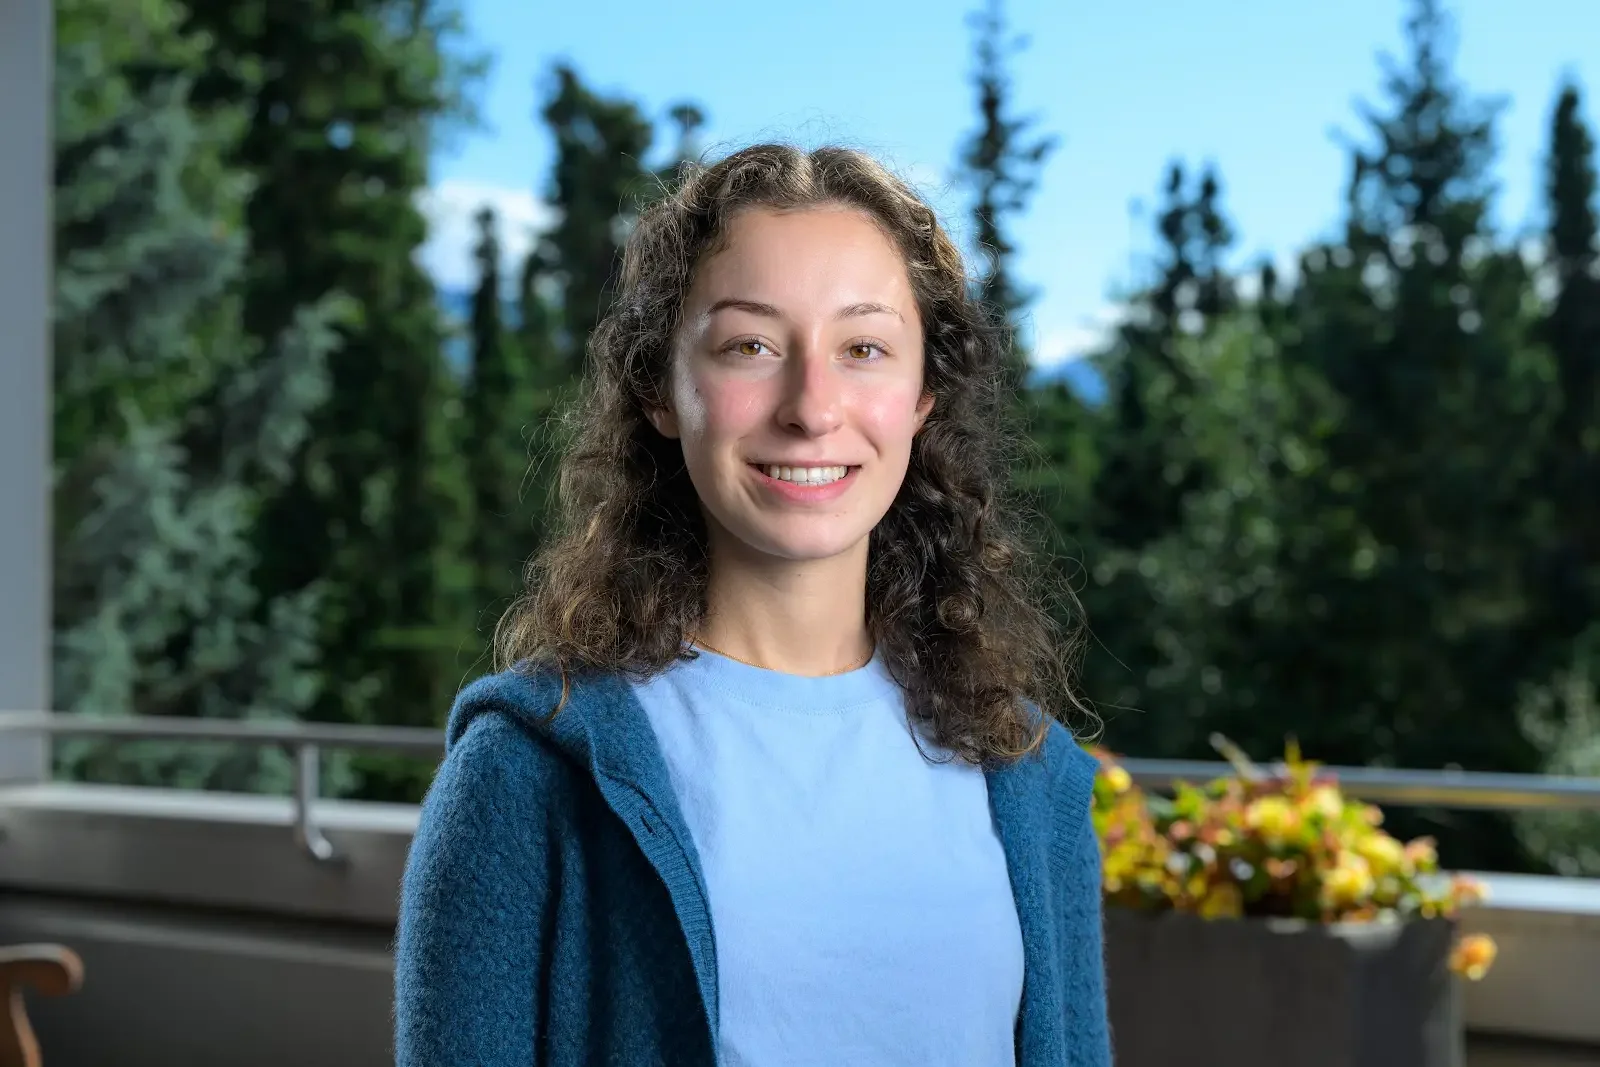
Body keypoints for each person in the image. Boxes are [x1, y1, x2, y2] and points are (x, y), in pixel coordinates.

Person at [393, 142, 1112, 1067]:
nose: (812, 406)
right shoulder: (525, 777)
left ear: (923, 395)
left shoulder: (1032, 780)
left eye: (864, 348)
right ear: (661, 388)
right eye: (751, 346)